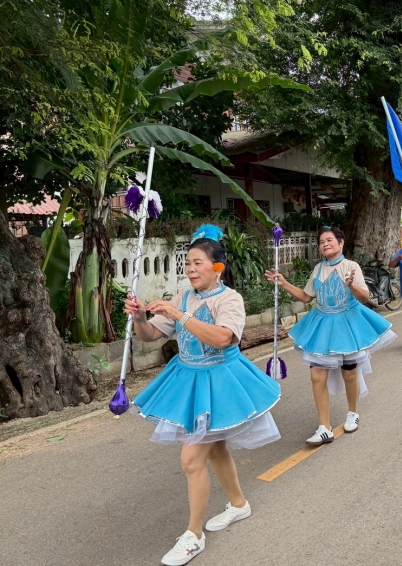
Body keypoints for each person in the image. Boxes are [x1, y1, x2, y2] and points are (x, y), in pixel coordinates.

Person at [127, 224, 281, 566]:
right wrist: (139, 317)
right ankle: (239, 504)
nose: (191, 269)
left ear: (217, 267)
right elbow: (150, 335)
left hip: (222, 382)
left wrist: (179, 315)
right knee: (216, 449)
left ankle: (193, 535)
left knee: (191, 459)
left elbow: (223, 338)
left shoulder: (230, 299)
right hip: (188, 379)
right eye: (188, 263)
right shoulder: (183, 297)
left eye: (198, 263)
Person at [265, 226, 397, 445]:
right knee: (317, 375)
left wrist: (351, 285)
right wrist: (284, 283)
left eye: (329, 240)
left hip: (347, 324)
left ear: (341, 242)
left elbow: (365, 297)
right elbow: (306, 297)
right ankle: (324, 427)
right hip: (322, 325)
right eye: (321, 242)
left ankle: (353, 413)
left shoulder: (351, 266)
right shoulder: (318, 269)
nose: (325, 244)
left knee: (350, 373)